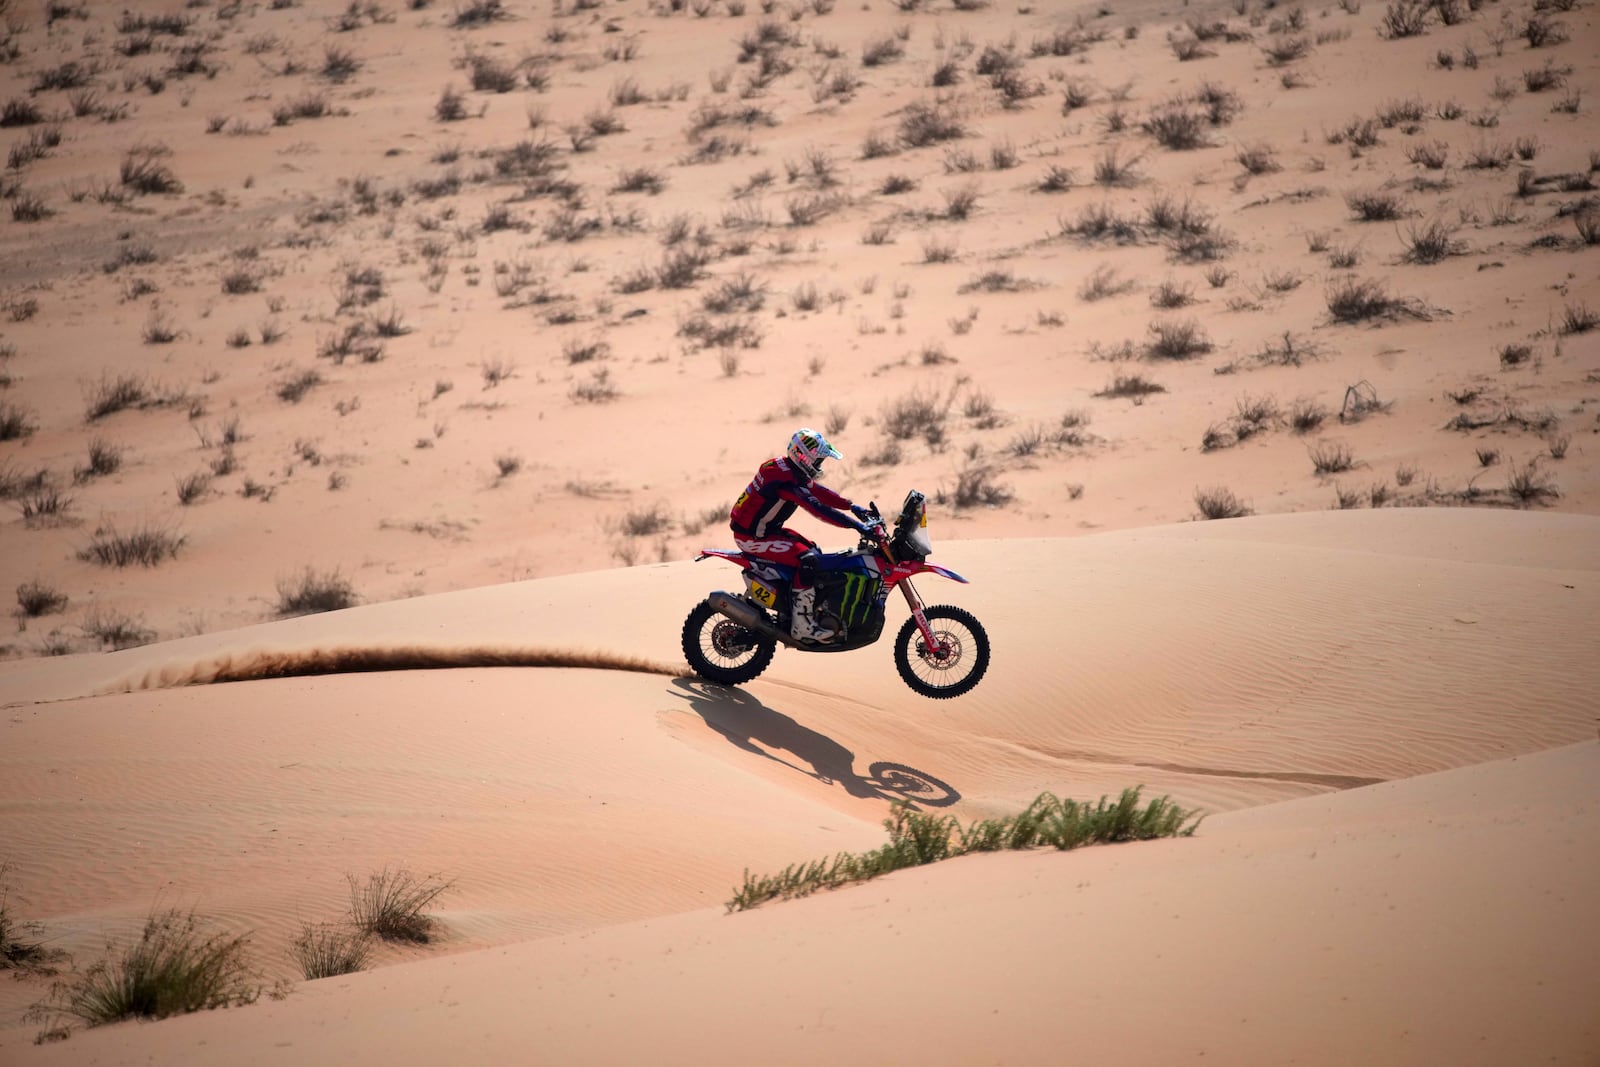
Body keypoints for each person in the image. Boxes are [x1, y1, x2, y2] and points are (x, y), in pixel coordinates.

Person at [729, 428, 877, 643]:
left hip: (766, 531)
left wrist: (852, 507)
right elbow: (817, 507)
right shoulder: (786, 481)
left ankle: (792, 608)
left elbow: (817, 491)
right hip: (752, 538)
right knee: (808, 560)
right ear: (804, 457)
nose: (820, 465)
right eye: (818, 460)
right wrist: (856, 526)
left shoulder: (786, 468)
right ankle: (802, 625)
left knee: (813, 552)